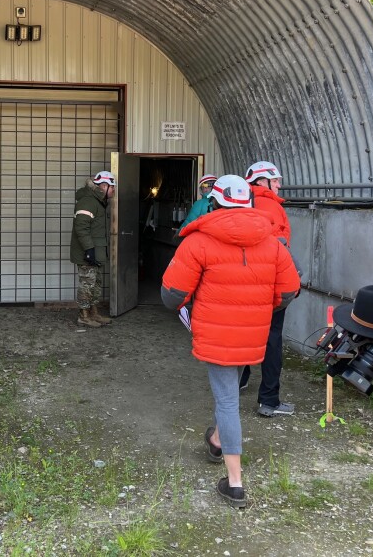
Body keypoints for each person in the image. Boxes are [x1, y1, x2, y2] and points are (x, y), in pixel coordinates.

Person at [160, 175, 300, 508]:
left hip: (216, 334)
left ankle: (235, 484)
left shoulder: (198, 242)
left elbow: (171, 295)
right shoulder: (272, 242)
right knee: (228, 392)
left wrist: (191, 305)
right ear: (249, 202)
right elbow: (289, 291)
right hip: (253, 333)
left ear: (215, 201)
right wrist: (258, 309)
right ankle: (216, 438)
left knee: (227, 402)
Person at [240, 160, 296, 417]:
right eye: (276, 181)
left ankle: (239, 380)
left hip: (243, 284)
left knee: (242, 334)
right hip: (269, 285)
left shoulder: (240, 202)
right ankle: (269, 400)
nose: (279, 185)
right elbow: (278, 248)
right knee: (272, 339)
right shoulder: (271, 206)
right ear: (262, 182)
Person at [70, 170, 116, 328]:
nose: (114, 191)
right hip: (87, 253)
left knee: (95, 283)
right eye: (112, 187)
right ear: (104, 186)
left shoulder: (98, 202)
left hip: (95, 252)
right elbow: (81, 227)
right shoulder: (88, 201)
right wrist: (89, 250)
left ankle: (93, 313)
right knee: (87, 284)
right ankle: (83, 316)